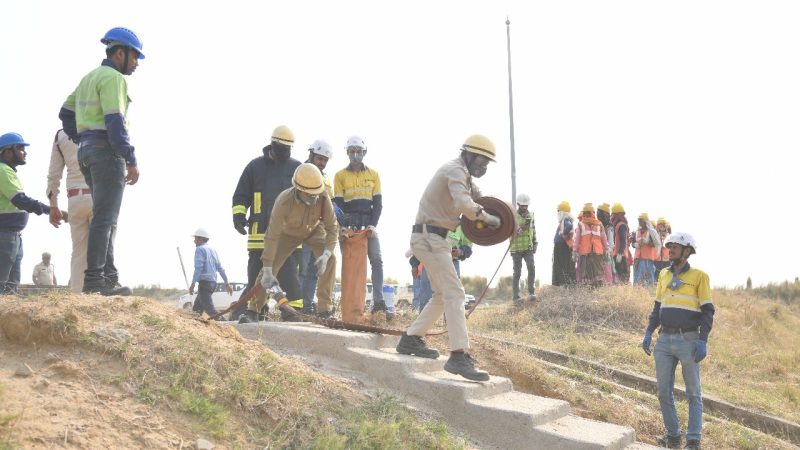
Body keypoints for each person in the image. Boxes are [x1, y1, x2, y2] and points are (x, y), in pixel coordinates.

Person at [396, 134, 502, 382]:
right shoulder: (455, 170)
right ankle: (458, 355)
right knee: (455, 293)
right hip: (430, 239)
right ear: (468, 154)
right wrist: (490, 220)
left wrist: (505, 219)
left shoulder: (462, 175)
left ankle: (411, 338)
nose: (483, 165)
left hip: (434, 239)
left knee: (443, 295)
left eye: (487, 162)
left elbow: (478, 198)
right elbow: (466, 203)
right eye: (481, 159)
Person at [58, 27, 145, 296]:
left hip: (87, 152)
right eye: (135, 57)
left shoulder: (88, 78)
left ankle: (107, 277)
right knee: (106, 218)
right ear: (120, 53)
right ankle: (96, 280)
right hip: (107, 152)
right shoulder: (113, 79)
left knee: (104, 216)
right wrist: (130, 158)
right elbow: (115, 123)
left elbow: (64, 113)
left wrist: (82, 138)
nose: (137, 63)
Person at [641, 232, 713, 450]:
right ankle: (673, 438)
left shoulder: (700, 277)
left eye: (675, 246)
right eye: (669, 246)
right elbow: (657, 307)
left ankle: (693, 441)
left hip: (689, 340)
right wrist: (648, 332)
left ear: (687, 251)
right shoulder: (663, 274)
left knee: (693, 393)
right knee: (663, 391)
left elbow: (708, 311)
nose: (669, 249)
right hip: (664, 341)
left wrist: (702, 340)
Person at [245, 164, 338, 323]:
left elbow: (333, 227)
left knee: (330, 259)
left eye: (316, 194)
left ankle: (324, 311)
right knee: (269, 268)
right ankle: (253, 311)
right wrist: (267, 268)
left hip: (315, 230)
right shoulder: (283, 201)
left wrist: (327, 253)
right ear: (298, 190)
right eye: (309, 195)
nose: (314, 198)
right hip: (288, 234)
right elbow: (272, 235)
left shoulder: (322, 197)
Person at [231, 125, 303, 321]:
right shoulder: (254, 167)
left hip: (287, 235)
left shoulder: (297, 168)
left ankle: (292, 314)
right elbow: (240, 196)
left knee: (289, 277)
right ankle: (254, 312)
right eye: (283, 147)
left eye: (289, 148)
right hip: (259, 235)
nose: (286, 152)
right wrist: (238, 216)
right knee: (256, 276)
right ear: (273, 144)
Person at [0, 132, 64, 294]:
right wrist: (51, 210)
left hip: (12, 236)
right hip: (4, 236)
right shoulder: (2, 171)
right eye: (20, 148)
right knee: (3, 286)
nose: (24, 152)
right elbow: (21, 200)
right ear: (7, 151)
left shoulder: (7, 171)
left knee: (10, 289)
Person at [334, 136, 388, 316]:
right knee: (350, 266)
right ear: (347, 153)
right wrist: (342, 226)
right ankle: (350, 307)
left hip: (368, 226)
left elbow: (378, 204)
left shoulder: (373, 175)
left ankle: (378, 302)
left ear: (364, 152)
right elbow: (338, 205)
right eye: (351, 151)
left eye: (358, 150)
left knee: (377, 260)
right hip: (349, 226)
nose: (355, 154)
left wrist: (373, 225)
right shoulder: (340, 176)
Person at [47, 129, 93, 292]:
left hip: (74, 198)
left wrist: (54, 205)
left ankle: (76, 295)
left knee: (79, 252)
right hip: (99, 195)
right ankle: (101, 292)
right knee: (104, 247)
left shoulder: (60, 135)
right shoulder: (100, 126)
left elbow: (54, 174)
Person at [300, 140, 335, 314]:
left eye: (324, 160)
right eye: (319, 158)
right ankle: (299, 306)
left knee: (320, 266)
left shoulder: (326, 178)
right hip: (300, 226)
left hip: (319, 227)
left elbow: (330, 203)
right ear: (311, 155)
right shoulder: (302, 172)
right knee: (303, 269)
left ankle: (319, 307)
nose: (321, 162)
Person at [416, 224, 473, 311]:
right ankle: (423, 322)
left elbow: (468, 247)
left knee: (452, 293)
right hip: (431, 260)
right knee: (426, 291)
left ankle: (450, 322)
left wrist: (461, 251)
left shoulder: (464, 227)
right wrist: (414, 264)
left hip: (452, 262)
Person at [188, 228, 232, 318]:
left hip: (204, 284)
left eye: (195, 239)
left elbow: (198, 268)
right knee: (196, 310)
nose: (194, 241)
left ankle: (224, 323)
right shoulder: (213, 250)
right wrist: (227, 283)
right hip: (213, 283)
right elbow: (220, 268)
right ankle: (196, 325)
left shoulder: (200, 249)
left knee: (209, 309)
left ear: (200, 239)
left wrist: (192, 284)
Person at [572, 203, 609, 288]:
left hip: (597, 253)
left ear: (592, 213)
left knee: (598, 274)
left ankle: (598, 293)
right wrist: (574, 251)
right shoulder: (581, 224)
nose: (586, 215)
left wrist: (607, 250)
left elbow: (604, 238)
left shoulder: (599, 224)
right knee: (585, 275)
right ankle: (587, 294)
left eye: (588, 212)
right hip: (586, 253)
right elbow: (577, 239)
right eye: (585, 213)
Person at [510, 193, 537, 303]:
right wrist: (522, 228)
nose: (524, 207)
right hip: (516, 248)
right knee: (517, 272)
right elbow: (510, 232)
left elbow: (533, 230)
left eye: (526, 205)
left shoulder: (531, 215)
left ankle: (531, 292)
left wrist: (535, 243)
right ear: (518, 204)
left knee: (531, 267)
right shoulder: (512, 216)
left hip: (528, 247)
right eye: (522, 205)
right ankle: (516, 297)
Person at [632, 213, 662, 286]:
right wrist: (635, 245)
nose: (639, 222)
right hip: (638, 258)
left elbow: (656, 243)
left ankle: (650, 292)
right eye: (639, 220)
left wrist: (647, 242)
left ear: (645, 221)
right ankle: (636, 291)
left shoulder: (651, 232)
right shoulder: (637, 231)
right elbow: (633, 243)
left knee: (649, 277)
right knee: (637, 276)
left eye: (641, 220)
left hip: (648, 258)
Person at [552, 201, 576, 286]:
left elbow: (569, 227)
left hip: (561, 246)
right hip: (564, 246)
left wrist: (562, 234)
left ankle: (561, 284)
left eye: (558, 211)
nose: (557, 213)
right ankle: (564, 283)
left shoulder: (565, 221)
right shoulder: (566, 220)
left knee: (560, 266)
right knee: (564, 266)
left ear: (562, 212)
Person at [610, 203, 632, 284]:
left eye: (613, 214)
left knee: (622, 277)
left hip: (620, 256)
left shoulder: (621, 225)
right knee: (618, 277)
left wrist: (619, 253)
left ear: (617, 215)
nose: (611, 216)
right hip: (616, 254)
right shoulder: (616, 225)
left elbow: (623, 240)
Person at [597, 203, 615, 285]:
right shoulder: (598, 224)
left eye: (600, 213)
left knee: (607, 271)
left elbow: (611, 242)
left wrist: (608, 251)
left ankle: (608, 287)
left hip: (606, 252)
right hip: (598, 252)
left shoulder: (609, 226)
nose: (598, 214)